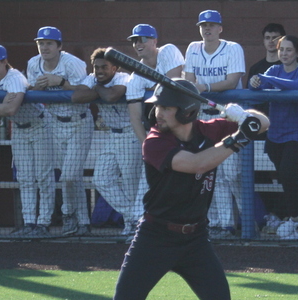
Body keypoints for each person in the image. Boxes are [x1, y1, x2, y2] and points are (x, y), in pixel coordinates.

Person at [61, 79, 269, 300]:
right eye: (157, 105)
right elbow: (198, 163)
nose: (157, 112)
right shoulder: (155, 142)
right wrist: (240, 136)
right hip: (155, 237)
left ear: (186, 111)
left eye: (165, 107)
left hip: (195, 239)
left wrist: (243, 115)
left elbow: (263, 123)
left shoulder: (210, 129)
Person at [0, 45, 52, 238]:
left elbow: (10, 110)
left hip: (40, 125)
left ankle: (44, 222)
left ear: (4, 61)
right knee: (24, 177)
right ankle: (29, 222)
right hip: (19, 130)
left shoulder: (15, 77)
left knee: (43, 176)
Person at [184, 10, 246, 240]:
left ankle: (249, 221)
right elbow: (188, 79)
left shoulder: (232, 48)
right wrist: (197, 89)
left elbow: (232, 81)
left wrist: (205, 88)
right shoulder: (193, 48)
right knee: (212, 173)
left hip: (230, 116)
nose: (207, 29)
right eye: (203, 25)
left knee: (233, 174)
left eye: (211, 25)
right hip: (204, 115)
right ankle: (224, 225)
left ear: (220, 28)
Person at [27, 26, 93, 236]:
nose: (44, 47)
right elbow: (30, 91)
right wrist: (36, 88)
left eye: (49, 43)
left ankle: (68, 214)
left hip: (79, 122)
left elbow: (87, 92)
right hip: (53, 122)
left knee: (69, 176)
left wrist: (61, 83)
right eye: (41, 43)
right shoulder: (32, 63)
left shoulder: (72, 63)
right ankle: (83, 222)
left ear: (59, 46)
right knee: (71, 177)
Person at [249, 35, 298, 240]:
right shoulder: (274, 70)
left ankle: (295, 218)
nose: (284, 53)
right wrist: (254, 81)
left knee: (287, 174)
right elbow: (257, 87)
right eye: (281, 50)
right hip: (276, 136)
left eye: (289, 50)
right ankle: (292, 222)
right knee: (284, 178)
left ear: (297, 52)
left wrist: (266, 80)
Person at [124, 23, 184, 238]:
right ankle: (137, 223)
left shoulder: (168, 51)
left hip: (192, 121)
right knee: (150, 179)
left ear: (154, 41)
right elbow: (134, 116)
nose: (138, 44)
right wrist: (148, 147)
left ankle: (218, 225)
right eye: (135, 40)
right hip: (165, 131)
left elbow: (174, 87)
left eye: (143, 39)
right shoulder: (135, 75)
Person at [72, 48, 140, 233]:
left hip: (131, 134)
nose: (99, 71)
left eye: (104, 67)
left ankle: (133, 226)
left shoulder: (123, 78)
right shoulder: (92, 78)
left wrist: (96, 89)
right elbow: (76, 96)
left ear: (114, 68)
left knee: (131, 184)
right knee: (101, 179)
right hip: (113, 136)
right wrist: (98, 88)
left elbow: (112, 96)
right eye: (96, 67)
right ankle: (132, 217)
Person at [245, 22, 285, 117]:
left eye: (275, 38)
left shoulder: (288, 66)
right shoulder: (255, 68)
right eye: (267, 38)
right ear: (263, 40)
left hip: (283, 118)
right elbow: (249, 97)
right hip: (260, 120)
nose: (271, 41)